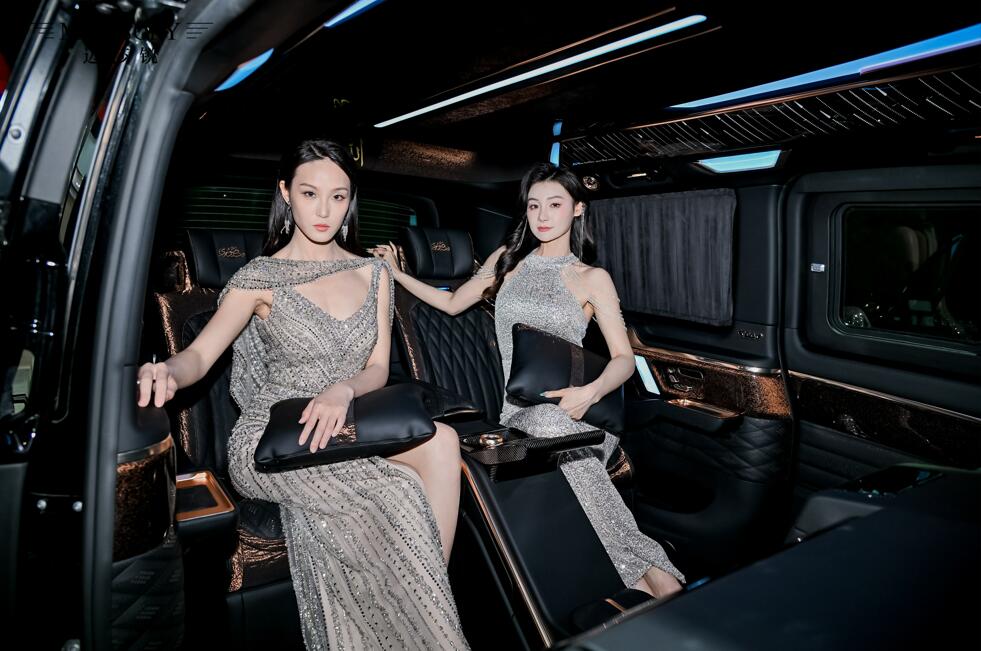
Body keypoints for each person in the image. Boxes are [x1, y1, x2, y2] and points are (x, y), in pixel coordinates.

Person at [137, 139, 469, 649]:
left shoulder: (375, 273)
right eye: (310, 193)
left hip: (346, 420)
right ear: (286, 193)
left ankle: (422, 612)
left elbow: (378, 369)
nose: (324, 211)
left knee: (444, 441)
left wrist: (342, 389)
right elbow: (198, 358)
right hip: (277, 435)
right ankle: (420, 622)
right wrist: (166, 371)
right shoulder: (258, 278)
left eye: (338, 197)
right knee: (394, 492)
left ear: (350, 200)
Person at [371, 162, 684, 598]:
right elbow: (452, 304)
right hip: (518, 413)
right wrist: (395, 273)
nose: (542, 215)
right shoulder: (507, 261)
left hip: (579, 413)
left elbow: (624, 360)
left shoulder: (591, 278)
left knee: (559, 431)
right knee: (546, 427)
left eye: (555, 204)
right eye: (534, 206)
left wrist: (589, 392)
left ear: (577, 209)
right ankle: (648, 578)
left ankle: (644, 577)